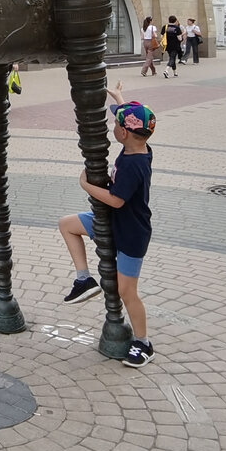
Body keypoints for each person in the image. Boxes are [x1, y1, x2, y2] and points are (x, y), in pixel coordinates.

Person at [58, 80, 157, 368]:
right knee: (67, 224)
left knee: (127, 292)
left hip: (131, 233)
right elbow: (134, 120)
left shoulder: (134, 164)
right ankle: (84, 279)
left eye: (116, 123)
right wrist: (119, 98)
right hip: (110, 222)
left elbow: (116, 200)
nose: (113, 126)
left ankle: (143, 343)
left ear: (123, 133)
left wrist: (86, 185)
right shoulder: (139, 145)